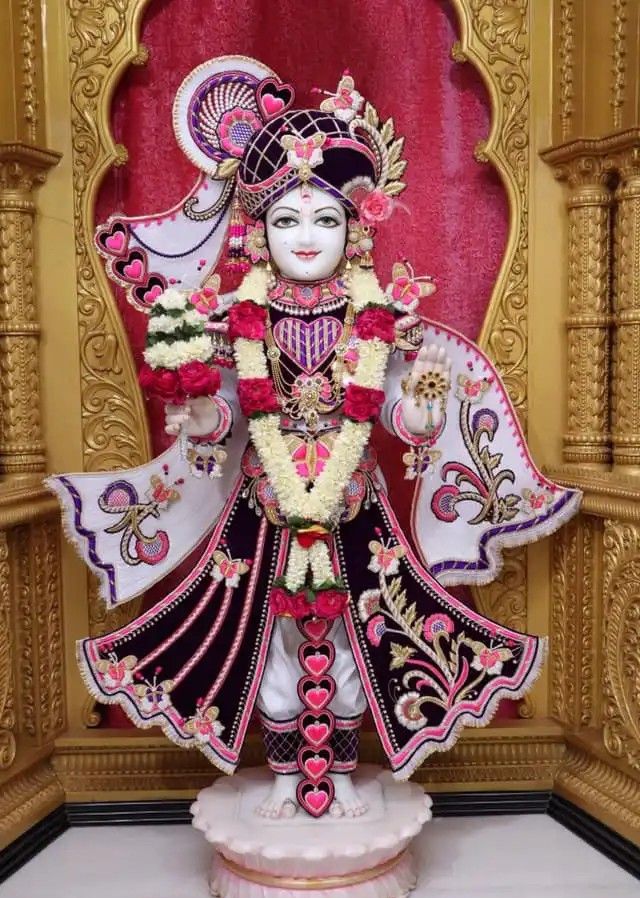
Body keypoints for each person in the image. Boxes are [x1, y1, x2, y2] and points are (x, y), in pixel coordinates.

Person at [48, 57, 580, 820]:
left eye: (326, 219)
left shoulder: (377, 319)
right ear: (257, 231)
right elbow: (229, 412)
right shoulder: (241, 317)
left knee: (365, 635)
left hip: (353, 506)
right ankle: (287, 775)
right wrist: (201, 416)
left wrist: (425, 415)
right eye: (287, 219)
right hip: (264, 509)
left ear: (356, 230)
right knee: (266, 646)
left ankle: (340, 770)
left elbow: (396, 413)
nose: (306, 236)